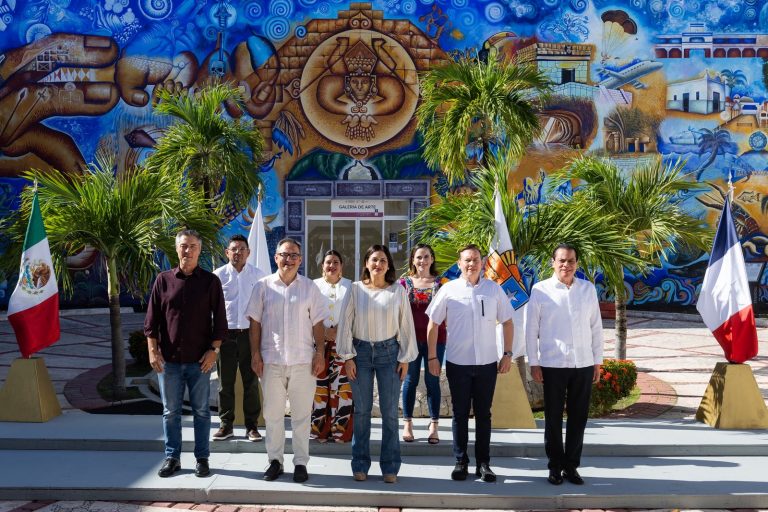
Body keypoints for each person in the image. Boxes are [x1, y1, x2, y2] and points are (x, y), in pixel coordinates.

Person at [425, 244, 514, 483]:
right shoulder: (448, 289)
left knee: (484, 415)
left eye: (475, 259)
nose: (471, 264)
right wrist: (432, 357)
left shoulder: (493, 289)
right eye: (467, 260)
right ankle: (461, 461)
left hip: (487, 364)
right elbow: (433, 323)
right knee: (460, 414)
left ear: (482, 263)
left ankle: (483, 464)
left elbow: (507, 321)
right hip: (458, 363)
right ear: (459, 263)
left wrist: (507, 353)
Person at [144, 229, 227, 479]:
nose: (187, 250)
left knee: (201, 412)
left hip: (200, 361)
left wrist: (214, 351)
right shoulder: (163, 280)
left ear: (199, 250)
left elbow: (220, 321)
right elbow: (151, 321)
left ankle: (202, 458)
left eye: (192, 246)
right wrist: (152, 351)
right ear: (176, 248)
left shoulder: (210, 282)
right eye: (183, 246)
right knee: (171, 413)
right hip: (168, 361)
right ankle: (172, 457)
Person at [246, 238, 329, 483]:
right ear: (276, 257)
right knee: (272, 415)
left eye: (294, 255)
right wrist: (255, 354)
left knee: (302, 416)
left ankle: (301, 463)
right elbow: (255, 323)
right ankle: (275, 461)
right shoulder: (262, 286)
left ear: (300, 260)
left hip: (303, 361)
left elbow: (318, 323)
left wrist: (320, 353)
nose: (289, 259)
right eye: (284, 254)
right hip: (271, 360)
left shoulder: (310, 288)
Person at [337, 244, 417, 484]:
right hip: (360, 354)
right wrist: (348, 357)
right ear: (366, 263)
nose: (378, 264)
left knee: (390, 412)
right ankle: (360, 464)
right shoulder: (355, 289)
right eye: (374, 260)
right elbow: (345, 323)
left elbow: (406, 324)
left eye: (383, 260)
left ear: (388, 264)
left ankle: (390, 467)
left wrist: (405, 358)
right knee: (361, 411)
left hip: (389, 354)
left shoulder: (398, 291)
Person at [525, 243, 604, 486]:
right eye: (561, 260)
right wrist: (534, 362)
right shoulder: (540, 290)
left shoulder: (587, 289)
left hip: (583, 363)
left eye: (570, 261)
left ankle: (571, 467)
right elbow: (531, 330)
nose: (566, 265)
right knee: (553, 419)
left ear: (576, 263)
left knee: (578, 418)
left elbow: (596, 327)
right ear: (553, 262)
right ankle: (555, 467)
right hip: (553, 363)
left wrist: (597, 362)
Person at [212, 234, 266, 442]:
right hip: (225, 336)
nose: (238, 253)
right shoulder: (217, 276)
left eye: (242, 249)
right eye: (234, 249)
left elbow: (265, 306)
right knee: (225, 383)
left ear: (248, 252)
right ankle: (226, 425)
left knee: (250, 381)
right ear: (227, 252)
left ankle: (252, 427)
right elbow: (211, 309)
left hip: (249, 335)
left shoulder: (259, 276)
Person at [400, 244, 446, 444]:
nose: (422, 261)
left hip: (436, 339)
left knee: (432, 380)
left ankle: (434, 425)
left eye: (426, 257)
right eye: (418, 257)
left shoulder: (442, 284)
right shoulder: (403, 283)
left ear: (432, 259)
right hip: (410, 340)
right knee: (410, 380)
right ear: (412, 259)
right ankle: (407, 423)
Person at [311, 250, 354, 443]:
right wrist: (323, 331)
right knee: (319, 388)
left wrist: (339, 330)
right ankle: (319, 431)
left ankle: (340, 432)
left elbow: (354, 314)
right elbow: (308, 313)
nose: (332, 266)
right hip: (318, 344)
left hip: (342, 345)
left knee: (342, 388)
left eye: (336, 262)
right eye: (328, 262)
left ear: (341, 266)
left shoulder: (351, 286)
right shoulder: (313, 286)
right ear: (322, 266)